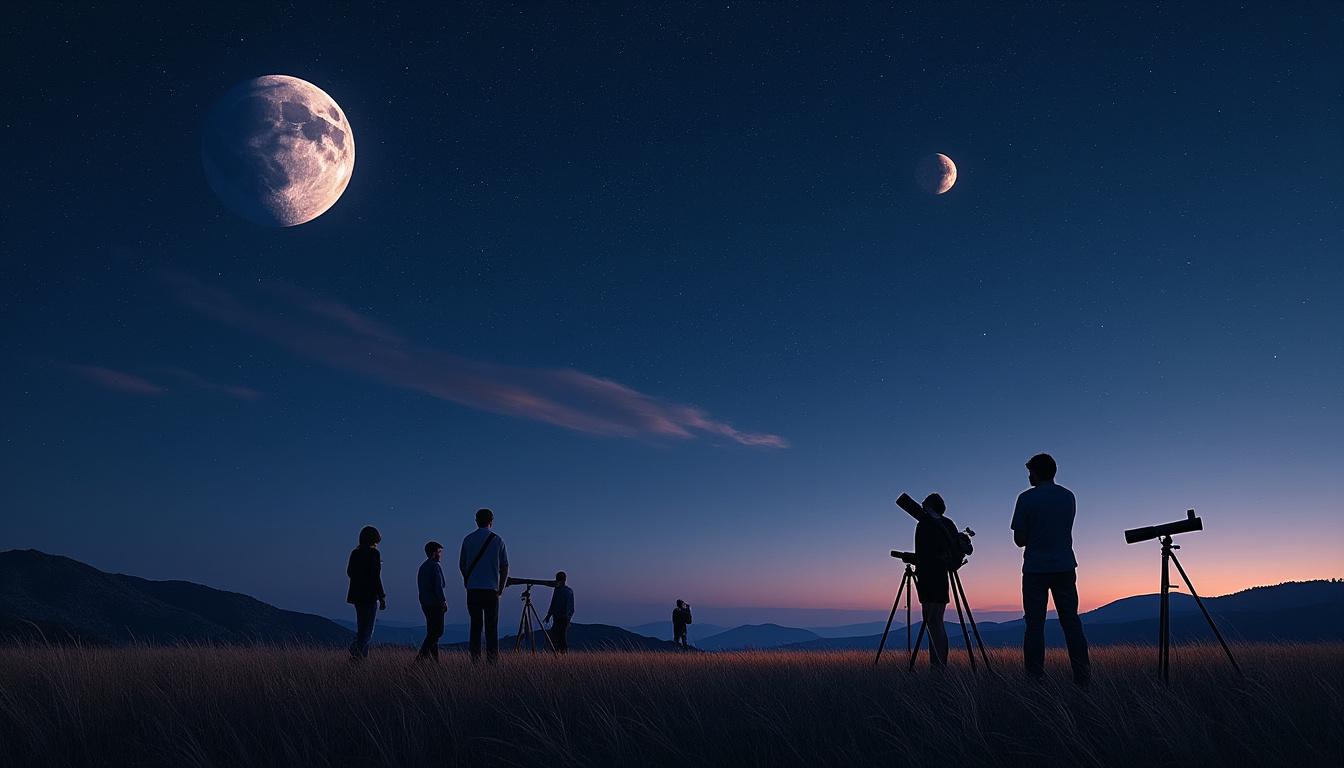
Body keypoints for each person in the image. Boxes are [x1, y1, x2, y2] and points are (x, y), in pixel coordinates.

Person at [1012, 453, 1091, 685]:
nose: (1028, 476)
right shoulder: (1068, 497)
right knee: (1071, 622)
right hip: (1065, 566)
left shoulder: (1026, 499)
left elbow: (1019, 539)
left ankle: (1034, 680)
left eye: (1030, 472)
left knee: (1034, 625)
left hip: (1036, 568)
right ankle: (1083, 677)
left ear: (1036, 472)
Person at [913, 493, 957, 669]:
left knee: (932, 621)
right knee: (938, 620)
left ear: (930, 505)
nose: (921, 504)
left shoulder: (924, 524)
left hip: (928, 576)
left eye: (924, 502)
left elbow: (923, 553)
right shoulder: (948, 524)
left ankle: (937, 666)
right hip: (942, 576)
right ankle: (939, 665)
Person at [459, 508, 508, 663]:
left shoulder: (468, 539)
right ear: (491, 521)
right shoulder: (498, 540)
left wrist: (467, 581)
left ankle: (475, 661)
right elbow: (505, 566)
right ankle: (492, 662)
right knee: (491, 628)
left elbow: (462, 564)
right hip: (491, 590)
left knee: (475, 626)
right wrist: (500, 588)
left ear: (476, 521)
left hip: (473, 589)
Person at [346, 525, 386, 660]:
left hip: (357, 596)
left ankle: (361, 659)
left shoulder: (355, 553)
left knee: (362, 628)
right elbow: (376, 576)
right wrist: (382, 596)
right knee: (368, 631)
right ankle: (356, 652)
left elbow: (350, 572)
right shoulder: (374, 553)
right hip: (369, 596)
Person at [416, 540, 447, 661]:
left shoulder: (423, 567)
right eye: (439, 552)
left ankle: (435, 661)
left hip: (425, 603)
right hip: (435, 604)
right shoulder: (435, 567)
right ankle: (420, 659)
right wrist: (443, 601)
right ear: (434, 553)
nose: (441, 554)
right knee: (437, 632)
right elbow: (438, 587)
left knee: (432, 632)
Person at [543, 571, 575, 653]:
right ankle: (557, 655)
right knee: (554, 638)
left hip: (563, 619)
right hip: (557, 618)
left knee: (561, 638)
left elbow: (571, 608)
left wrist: (567, 619)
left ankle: (563, 655)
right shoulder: (557, 590)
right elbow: (553, 603)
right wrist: (549, 615)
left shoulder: (568, 591)